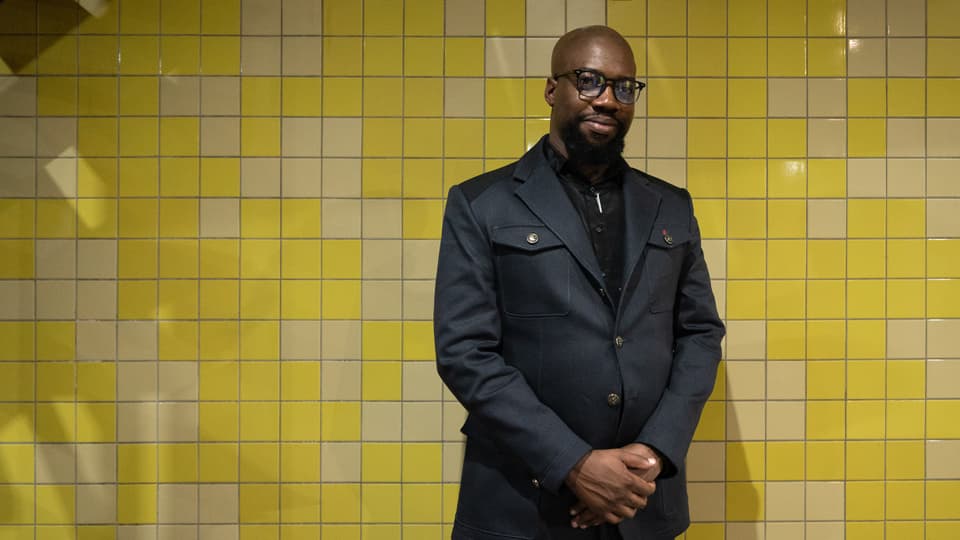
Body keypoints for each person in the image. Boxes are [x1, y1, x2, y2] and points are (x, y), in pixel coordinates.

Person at [433, 25, 725, 540]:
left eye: (624, 87)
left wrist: (654, 453)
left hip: (641, 503)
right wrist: (575, 464)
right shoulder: (481, 204)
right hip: (521, 505)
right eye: (589, 81)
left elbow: (700, 335)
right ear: (552, 89)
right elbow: (465, 352)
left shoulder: (671, 206)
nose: (608, 100)